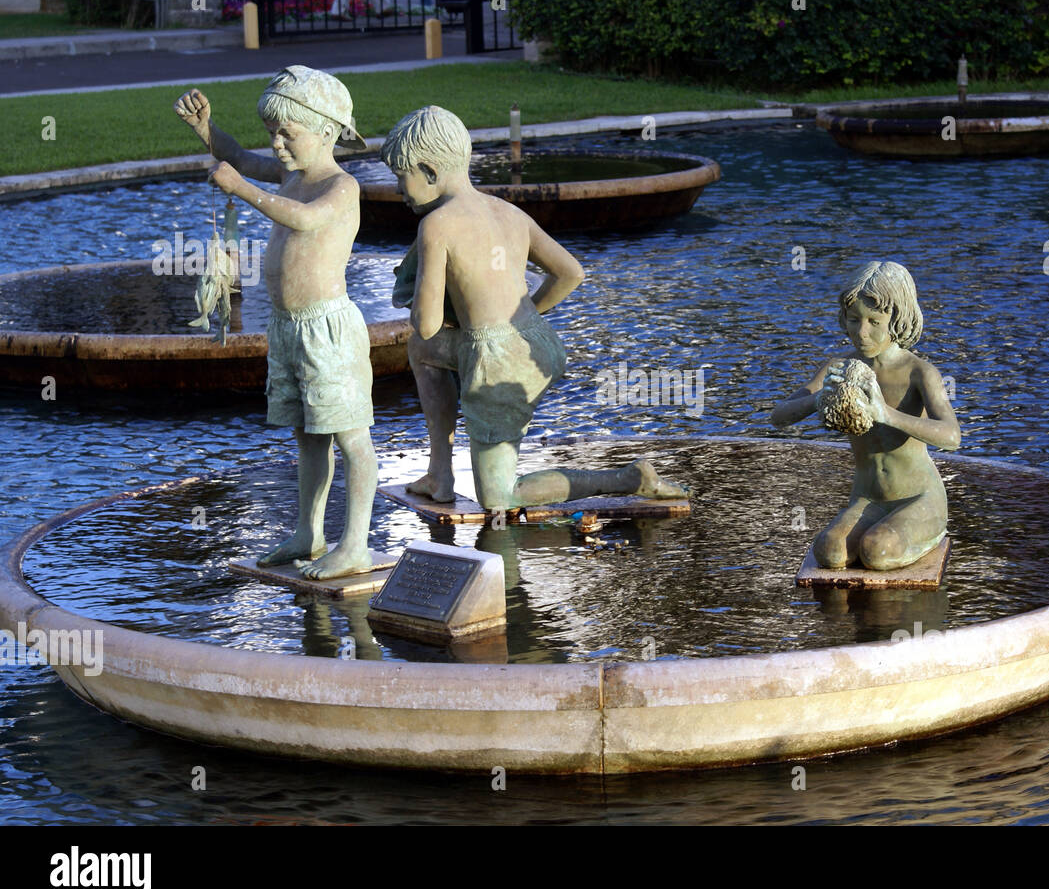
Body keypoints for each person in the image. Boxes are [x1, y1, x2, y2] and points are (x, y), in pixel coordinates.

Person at [381, 104, 688, 512]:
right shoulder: (509, 211)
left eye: (402, 178)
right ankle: (440, 473)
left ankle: (631, 478)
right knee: (424, 353)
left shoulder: (436, 225)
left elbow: (425, 322)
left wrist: (413, 279)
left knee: (500, 498)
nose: (400, 191)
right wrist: (524, 315)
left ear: (431, 172)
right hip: (536, 345)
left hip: (498, 364)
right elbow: (571, 273)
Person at [174, 66, 379, 580]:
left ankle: (355, 543)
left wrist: (240, 188)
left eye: (289, 133)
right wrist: (207, 132)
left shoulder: (341, 186)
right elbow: (237, 157)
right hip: (289, 327)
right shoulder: (291, 175)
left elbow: (303, 219)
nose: (278, 144)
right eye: (274, 134)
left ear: (328, 131)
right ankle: (310, 532)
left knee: (351, 438)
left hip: (328, 330)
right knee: (308, 435)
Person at [771, 261, 960, 571]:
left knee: (877, 550)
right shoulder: (840, 368)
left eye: (874, 320)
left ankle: (929, 530)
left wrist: (885, 414)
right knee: (829, 551)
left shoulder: (919, 373)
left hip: (918, 498)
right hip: (867, 500)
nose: (862, 332)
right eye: (854, 319)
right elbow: (778, 417)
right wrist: (818, 399)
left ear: (898, 318)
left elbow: (952, 437)